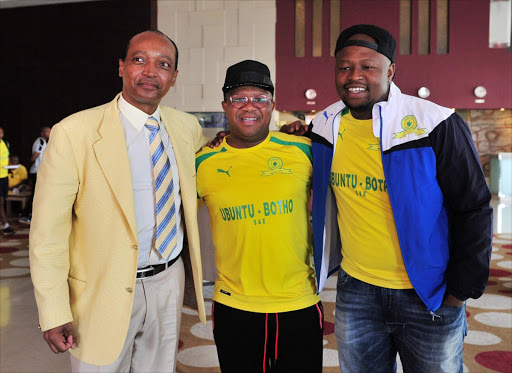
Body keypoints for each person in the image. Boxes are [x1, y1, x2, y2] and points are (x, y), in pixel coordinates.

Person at [291, 24, 492, 372]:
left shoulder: (435, 123)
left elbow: (473, 207)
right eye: (344, 66)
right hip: (356, 292)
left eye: (367, 65)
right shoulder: (323, 127)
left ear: (391, 70)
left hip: (429, 292)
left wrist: (460, 291)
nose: (354, 75)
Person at [29, 30, 207, 372]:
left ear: (173, 78)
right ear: (122, 67)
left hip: (169, 279)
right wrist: (53, 310)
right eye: (140, 60)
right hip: (101, 287)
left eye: (163, 64)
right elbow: (47, 234)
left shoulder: (187, 128)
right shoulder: (74, 132)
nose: (151, 71)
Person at [196, 60, 323, 373]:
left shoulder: (303, 149)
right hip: (234, 305)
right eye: (239, 99)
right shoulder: (202, 162)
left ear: (273, 105)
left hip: (299, 302)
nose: (249, 107)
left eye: (259, 99)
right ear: (225, 107)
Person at [18, 125, 51, 225]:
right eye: (47, 132)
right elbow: (36, 154)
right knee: (35, 195)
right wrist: (32, 161)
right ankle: (25, 215)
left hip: (39, 171)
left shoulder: (44, 142)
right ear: (42, 133)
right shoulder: (41, 141)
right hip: (37, 171)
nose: (49, 134)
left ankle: (29, 214)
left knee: (38, 194)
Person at [0, 126, 15, 235]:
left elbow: (7, 157)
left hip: (4, 176)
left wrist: (11, 165)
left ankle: (5, 224)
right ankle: (5, 224)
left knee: (3, 200)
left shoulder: (6, 143)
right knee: (0, 201)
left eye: (1, 132)